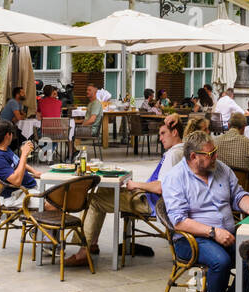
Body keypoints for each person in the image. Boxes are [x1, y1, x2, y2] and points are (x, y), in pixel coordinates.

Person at [162, 131, 249, 292]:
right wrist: (213, 232)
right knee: (220, 262)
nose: (215, 157)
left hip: (226, 233)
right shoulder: (175, 178)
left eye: (215, 151)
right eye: (210, 153)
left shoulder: (221, 169)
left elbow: (238, 195)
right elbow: (178, 221)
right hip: (191, 239)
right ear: (194, 157)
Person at [67, 114, 185, 266]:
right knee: (102, 192)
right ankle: (92, 243)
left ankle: (83, 251)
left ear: (175, 133)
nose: (160, 138)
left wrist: (136, 185)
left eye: (163, 134)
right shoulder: (182, 149)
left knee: (94, 200)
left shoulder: (174, 154)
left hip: (152, 203)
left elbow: (160, 187)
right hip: (153, 199)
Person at [72, 82, 103, 152]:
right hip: (88, 128)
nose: (87, 92)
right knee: (68, 130)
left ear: (95, 90)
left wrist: (81, 126)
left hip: (91, 130)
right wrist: (75, 122)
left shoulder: (96, 104)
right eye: (87, 90)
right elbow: (87, 119)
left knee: (67, 132)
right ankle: (73, 152)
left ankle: (72, 153)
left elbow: (92, 120)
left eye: (89, 90)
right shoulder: (91, 103)